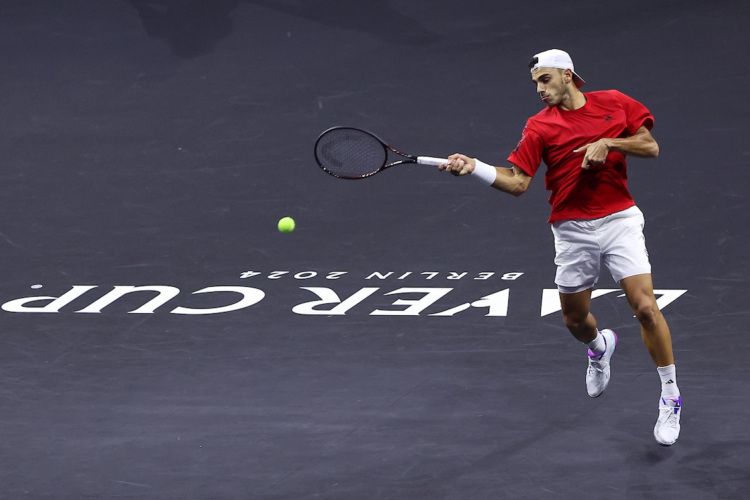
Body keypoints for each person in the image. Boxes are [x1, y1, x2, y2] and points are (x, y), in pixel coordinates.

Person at [439, 49, 681, 446]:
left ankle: (670, 394)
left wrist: (609, 142)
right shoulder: (539, 127)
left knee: (645, 306)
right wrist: (475, 168)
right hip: (571, 229)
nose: (539, 88)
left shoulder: (615, 103)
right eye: (535, 82)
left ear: (568, 75)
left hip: (619, 219)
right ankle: (599, 347)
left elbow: (649, 146)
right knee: (574, 321)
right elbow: (518, 183)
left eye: (545, 79)